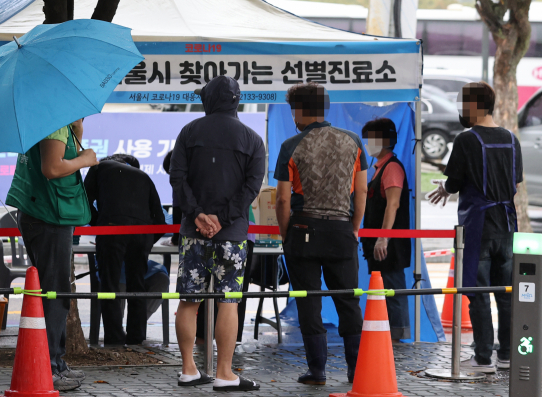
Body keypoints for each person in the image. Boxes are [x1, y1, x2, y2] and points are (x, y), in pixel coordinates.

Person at [170, 75, 265, 391]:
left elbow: (178, 179)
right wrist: (222, 219)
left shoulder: (188, 132)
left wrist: (198, 215)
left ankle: (188, 369)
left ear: (207, 99)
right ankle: (225, 373)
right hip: (232, 235)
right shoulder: (252, 140)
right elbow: (251, 188)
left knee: (188, 300)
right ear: (237, 100)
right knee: (229, 300)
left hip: (193, 232)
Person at [427, 81, 523, 373]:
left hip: (478, 225)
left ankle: (483, 357)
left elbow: (454, 182)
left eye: (463, 103)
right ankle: (507, 355)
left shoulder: (467, 140)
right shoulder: (511, 138)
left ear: (474, 106)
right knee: (506, 293)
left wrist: (446, 188)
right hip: (507, 225)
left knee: (477, 291)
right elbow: (515, 182)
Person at [274, 83, 366, 385]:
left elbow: (282, 199)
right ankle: (356, 369)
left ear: (300, 110)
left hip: (303, 230)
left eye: (293, 111)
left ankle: (317, 371)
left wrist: (286, 234)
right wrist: (353, 228)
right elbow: (361, 189)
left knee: (308, 302)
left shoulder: (291, 145)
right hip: (341, 230)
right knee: (348, 301)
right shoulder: (353, 142)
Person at [6, 119, 98, 391]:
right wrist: (85, 160)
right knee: (55, 294)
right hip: (49, 216)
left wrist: (77, 130)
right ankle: (49, 367)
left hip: (40, 212)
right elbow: (52, 167)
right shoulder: (53, 123)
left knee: (54, 292)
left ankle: (56, 363)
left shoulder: (52, 121)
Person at [84, 153, 166, 345]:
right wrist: (145, 242)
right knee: (137, 285)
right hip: (142, 234)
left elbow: (83, 203)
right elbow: (160, 221)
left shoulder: (98, 168)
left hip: (112, 230)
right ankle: (136, 338)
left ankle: (114, 338)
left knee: (109, 286)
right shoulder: (144, 176)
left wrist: (100, 227)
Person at [360, 118, 411, 342]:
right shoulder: (377, 169)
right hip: (377, 243)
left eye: (371, 139)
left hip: (390, 244)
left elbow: (393, 204)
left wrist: (383, 238)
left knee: (393, 290)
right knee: (382, 290)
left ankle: (398, 337)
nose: (368, 144)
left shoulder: (391, 168)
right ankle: (385, 334)